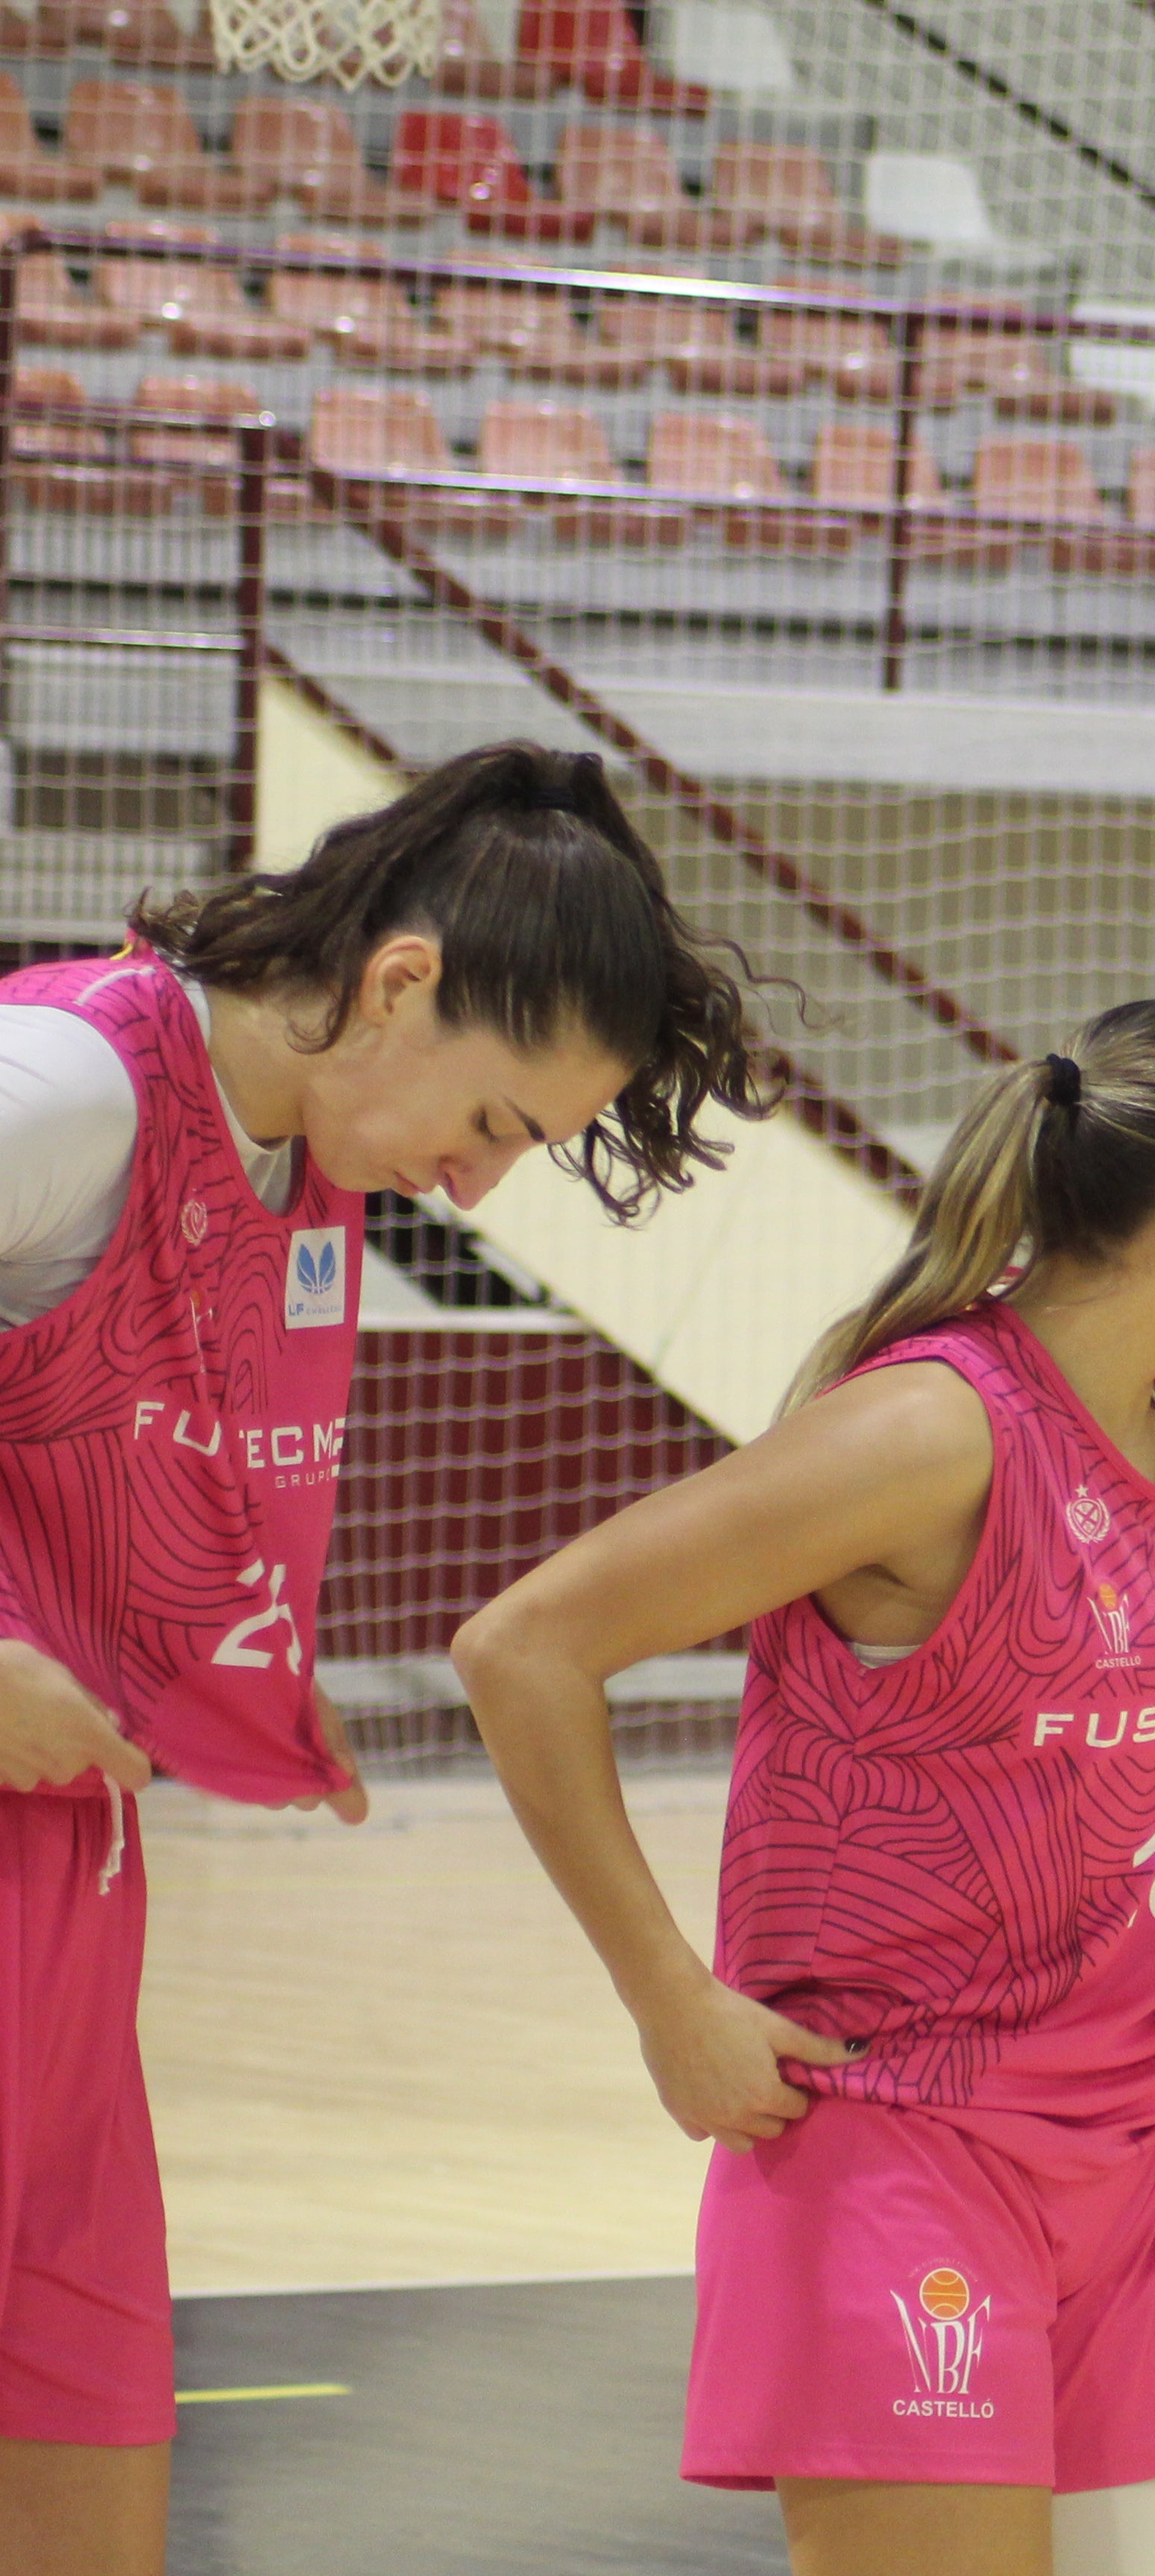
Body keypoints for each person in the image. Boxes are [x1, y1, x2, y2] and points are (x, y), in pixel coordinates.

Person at [0, 742, 772, 2575]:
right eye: (500, 1121)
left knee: (89, 2458)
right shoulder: (68, 1084)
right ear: (403, 979)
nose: (485, 1184)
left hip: (69, 1875)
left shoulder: (286, 1154)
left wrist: (234, 1667)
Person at [451, 1000, 1155, 2576]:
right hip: (904, 2151)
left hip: (1122, 2156)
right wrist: (672, 2001)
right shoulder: (931, 1431)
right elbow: (527, 1649)